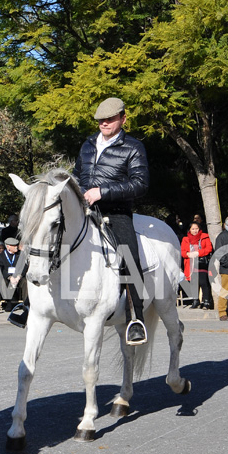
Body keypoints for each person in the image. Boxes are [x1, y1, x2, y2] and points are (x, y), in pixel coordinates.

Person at [72, 97, 149, 345]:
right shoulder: (86, 145)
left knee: (130, 256)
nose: (104, 123)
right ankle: (30, 305)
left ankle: (136, 319)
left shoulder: (133, 147)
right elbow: (77, 175)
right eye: (100, 120)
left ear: (123, 119)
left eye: (110, 119)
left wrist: (102, 192)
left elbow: (140, 183)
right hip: (84, 209)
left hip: (115, 212)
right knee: (49, 236)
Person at [180, 222, 214, 309]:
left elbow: (208, 249)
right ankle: (195, 301)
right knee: (193, 283)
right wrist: (188, 254)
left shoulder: (205, 236)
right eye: (193, 229)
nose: (195, 231)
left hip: (201, 263)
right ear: (189, 230)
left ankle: (206, 301)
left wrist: (198, 253)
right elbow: (182, 252)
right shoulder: (185, 239)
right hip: (190, 264)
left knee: (203, 282)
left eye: (197, 228)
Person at [0, 237, 25, 310]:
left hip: (18, 277)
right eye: (14, 246)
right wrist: (10, 277)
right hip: (7, 277)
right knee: (4, 282)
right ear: (8, 246)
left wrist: (18, 276)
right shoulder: (1, 256)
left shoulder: (20, 255)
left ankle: (26, 304)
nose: (16, 247)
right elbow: (0, 269)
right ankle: (9, 302)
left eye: (17, 245)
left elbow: (24, 267)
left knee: (25, 282)